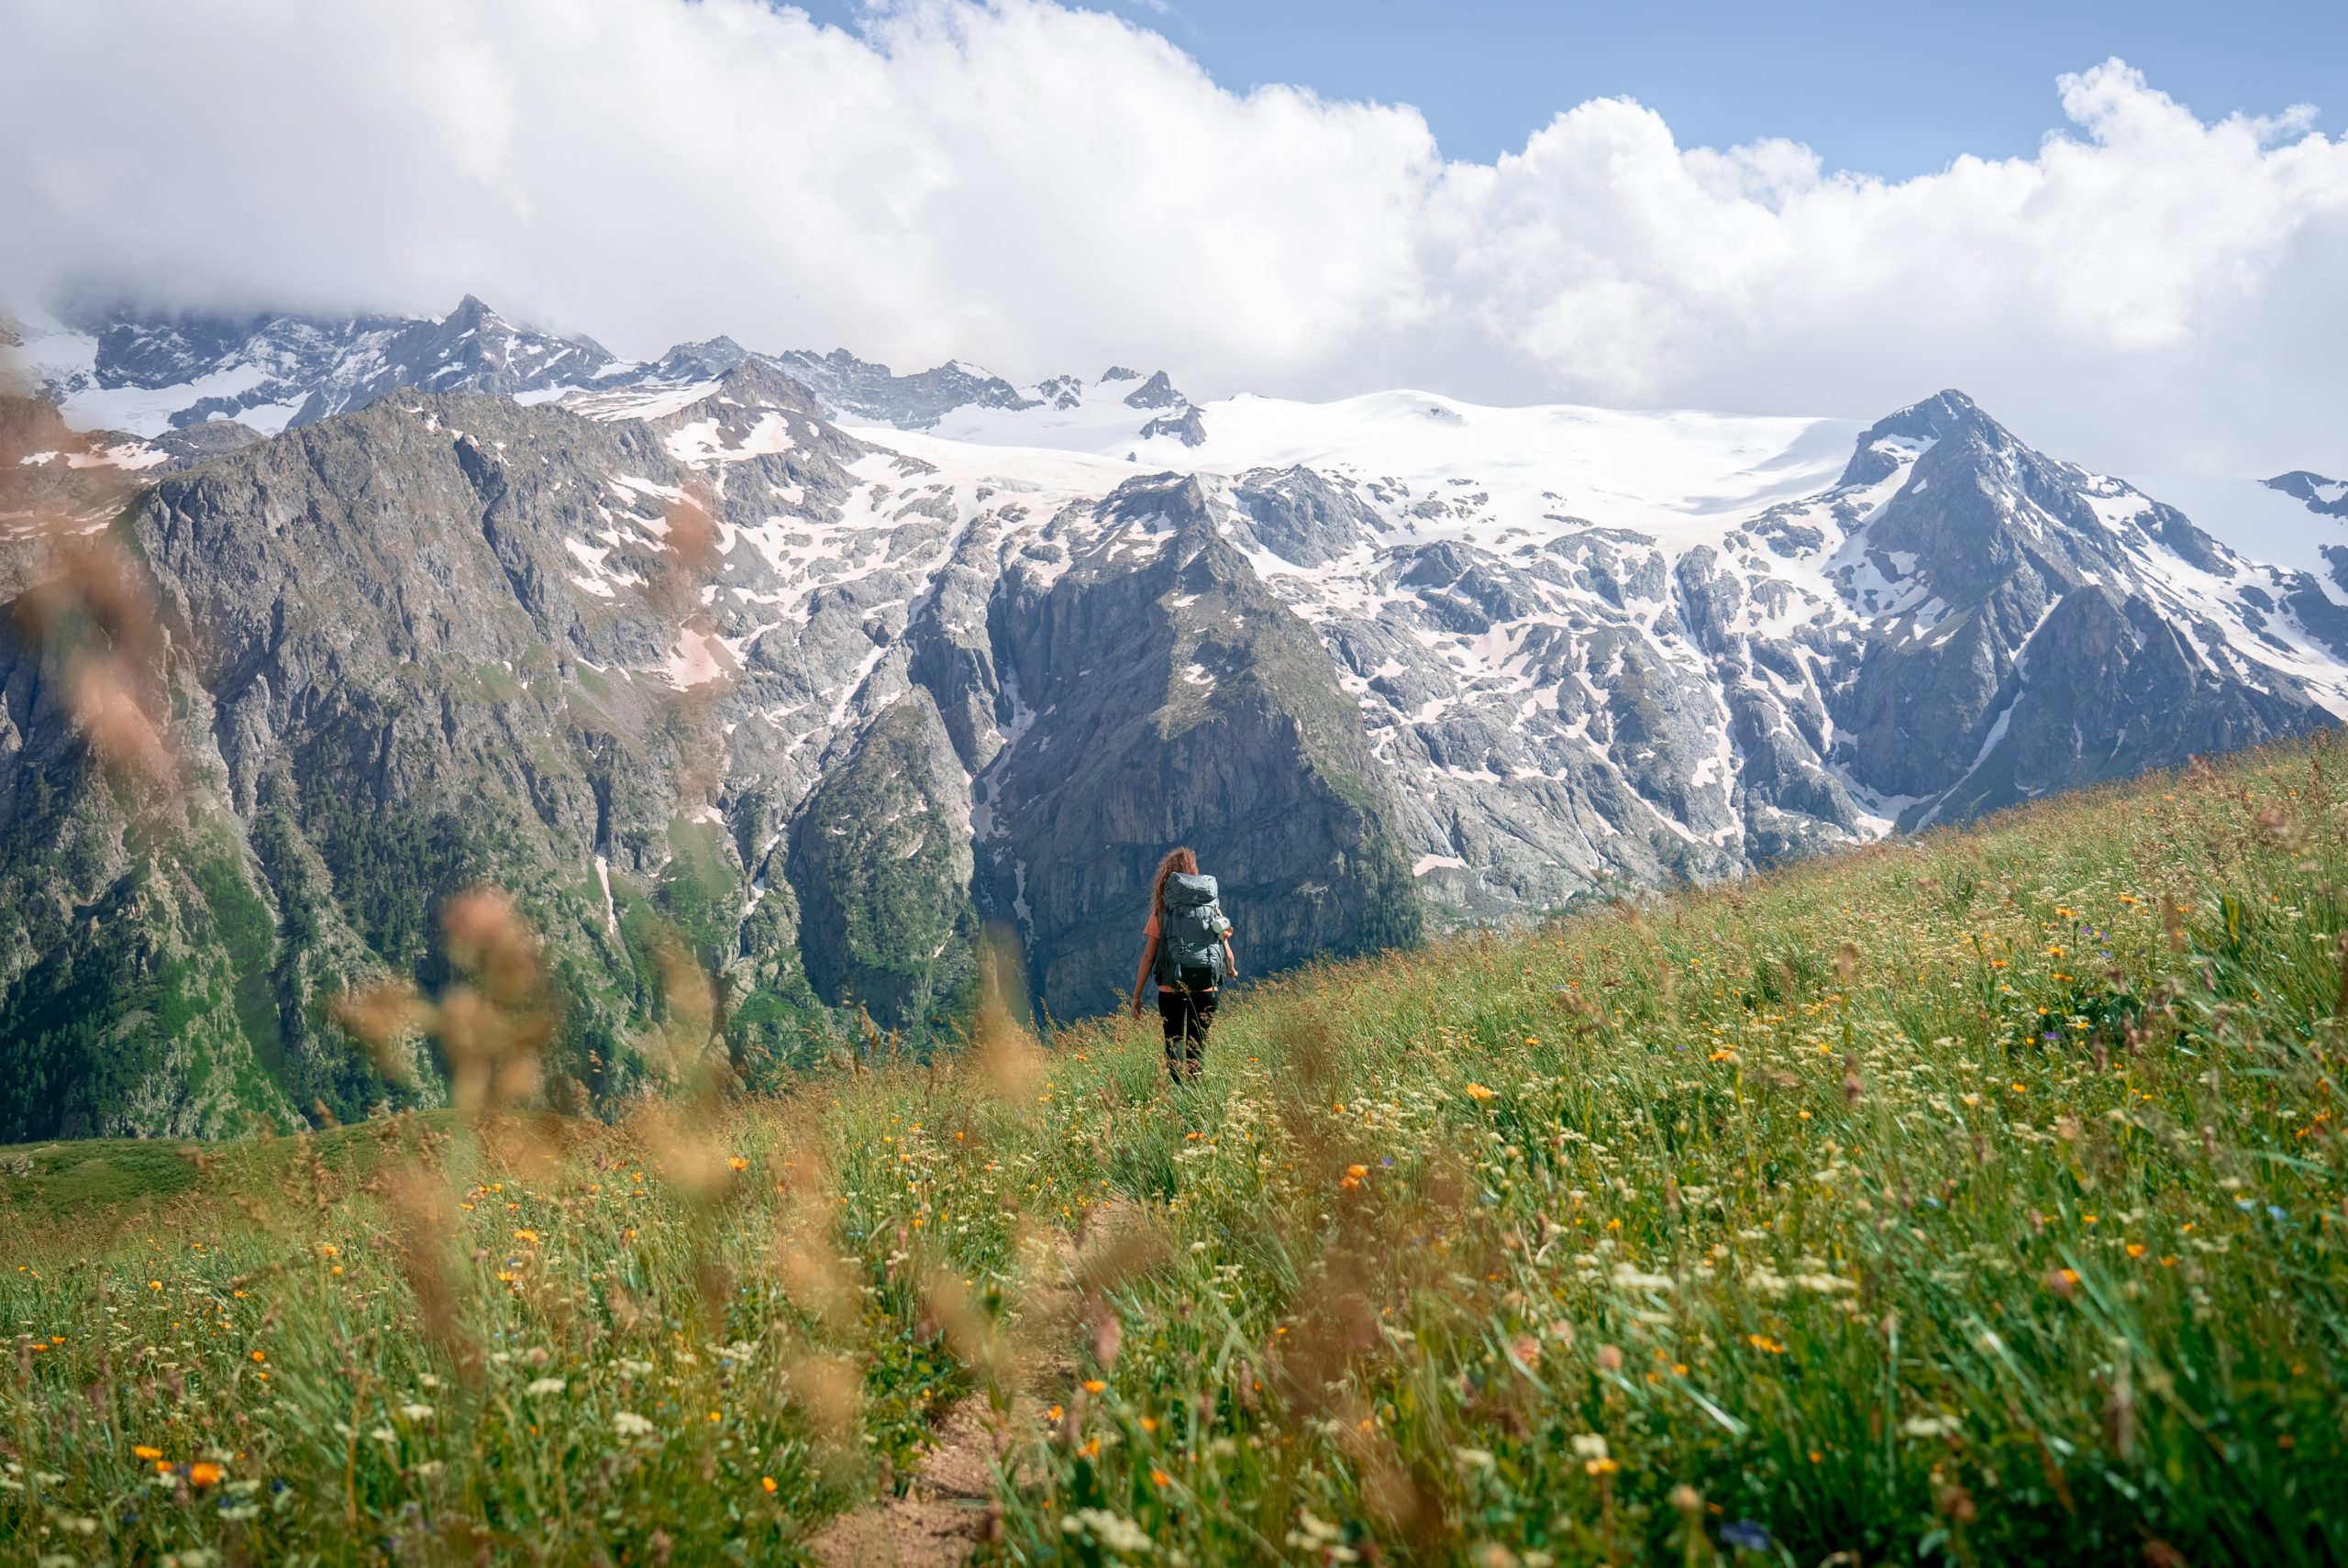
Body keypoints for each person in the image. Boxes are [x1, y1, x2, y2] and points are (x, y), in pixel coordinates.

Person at [1129, 847, 1238, 1085]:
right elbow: (1226, 953)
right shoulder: (1212, 908)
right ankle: (1195, 1101)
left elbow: (1148, 957)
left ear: (1168, 877)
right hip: (1207, 990)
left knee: (1174, 1046)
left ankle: (1178, 1104)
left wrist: (1136, 996)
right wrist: (1230, 969)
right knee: (1197, 1047)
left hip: (1172, 990)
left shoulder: (1162, 911)